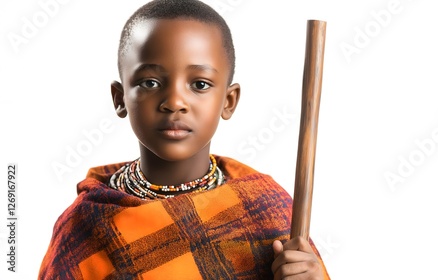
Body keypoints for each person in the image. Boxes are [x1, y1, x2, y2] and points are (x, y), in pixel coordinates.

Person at [38, 0, 330, 279]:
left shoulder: (267, 210)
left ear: (228, 101)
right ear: (120, 98)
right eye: (150, 82)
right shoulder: (83, 228)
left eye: (200, 84)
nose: (175, 101)